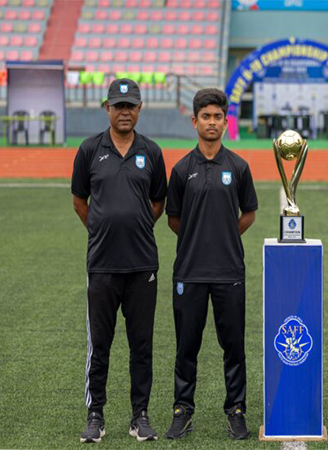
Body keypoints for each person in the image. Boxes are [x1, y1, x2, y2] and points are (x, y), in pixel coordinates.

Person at [71, 78, 167, 443]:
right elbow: (80, 200)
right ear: (107, 109)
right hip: (102, 264)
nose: (125, 111)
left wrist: (138, 224)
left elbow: (158, 201)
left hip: (142, 264)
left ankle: (139, 415)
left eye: (131, 105)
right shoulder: (89, 149)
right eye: (118, 105)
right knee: (101, 344)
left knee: (141, 344)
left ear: (140, 109)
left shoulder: (152, 152)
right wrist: (100, 228)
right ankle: (95, 415)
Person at [165, 88, 258, 441]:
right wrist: (197, 238)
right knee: (186, 346)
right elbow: (174, 219)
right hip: (189, 271)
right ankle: (182, 411)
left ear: (225, 121)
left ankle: (236, 411)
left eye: (218, 116)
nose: (212, 122)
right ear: (195, 121)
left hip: (229, 272)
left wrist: (224, 237)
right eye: (206, 116)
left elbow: (248, 213)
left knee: (232, 345)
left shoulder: (238, 166)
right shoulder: (181, 169)